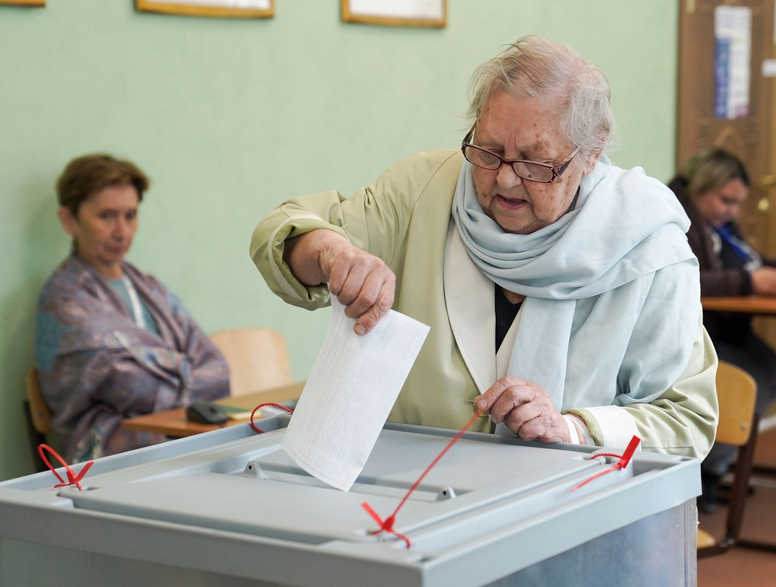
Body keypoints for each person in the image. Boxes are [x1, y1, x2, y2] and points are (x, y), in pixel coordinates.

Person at [250, 35, 718, 457]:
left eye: (535, 161)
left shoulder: (650, 246)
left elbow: (686, 421)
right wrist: (330, 252)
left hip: (573, 521)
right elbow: (282, 231)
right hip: (407, 500)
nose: (506, 179)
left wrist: (574, 428)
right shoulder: (423, 190)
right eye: (489, 151)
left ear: (590, 154)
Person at [35, 154, 230, 463]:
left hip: (177, 435)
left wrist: (170, 377)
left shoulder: (150, 289)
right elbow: (134, 386)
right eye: (107, 216)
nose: (121, 231)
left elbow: (218, 370)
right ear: (69, 220)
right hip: (108, 457)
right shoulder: (64, 299)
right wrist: (188, 376)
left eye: (130, 215)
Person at [669, 148, 776, 510]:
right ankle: (708, 474)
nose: (732, 210)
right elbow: (686, 279)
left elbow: (747, 260)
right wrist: (749, 282)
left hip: (730, 329)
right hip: (696, 334)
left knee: (770, 367)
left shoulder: (719, 224)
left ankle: (723, 464)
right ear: (701, 187)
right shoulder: (674, 218)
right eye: (726, 200)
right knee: (751, 380)